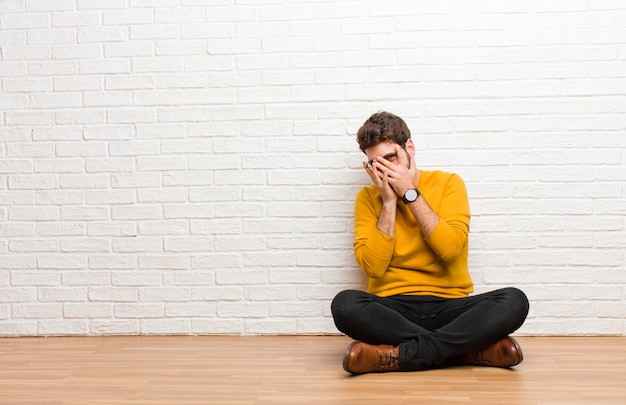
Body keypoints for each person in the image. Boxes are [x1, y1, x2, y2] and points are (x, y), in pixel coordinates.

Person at [331, 111, 529, 374]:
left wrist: (409, 194)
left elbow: (449, 250)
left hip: (450, 306)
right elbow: (374, 269)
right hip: (394, 308)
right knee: (345, 305)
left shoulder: (449, 183)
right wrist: (389, 202)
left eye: (391, 158)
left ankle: (397, 356)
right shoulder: (368, 198)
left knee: (515, 300)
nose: (385, 170)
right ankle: (467, 351)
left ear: (409, 148)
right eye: (374, 164)